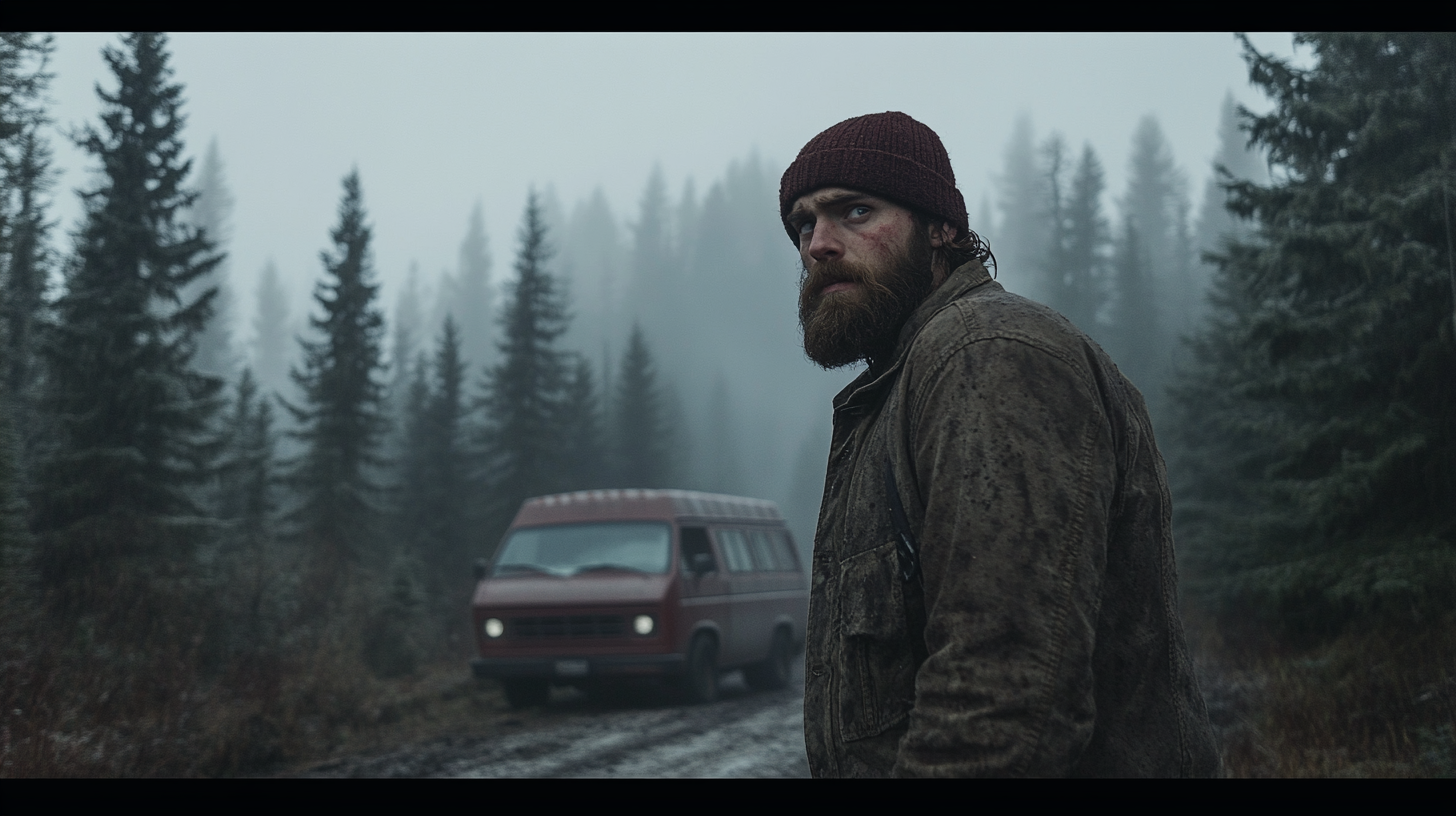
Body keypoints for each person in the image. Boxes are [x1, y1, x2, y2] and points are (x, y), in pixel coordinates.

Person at [783, 111, 1220, 777]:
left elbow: (1006, 700)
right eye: (804, 225)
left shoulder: (986, 356)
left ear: (942, 229)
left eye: (856, 211)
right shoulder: (908, 384)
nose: (819, 243)